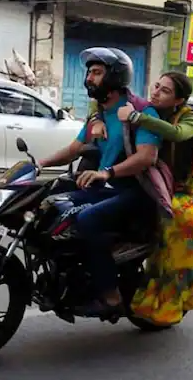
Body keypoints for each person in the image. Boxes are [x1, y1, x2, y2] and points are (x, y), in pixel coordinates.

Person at [88, 72, 193, 325]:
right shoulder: (152, 110)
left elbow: (176, 133)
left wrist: (136, 118)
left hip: (186, 191)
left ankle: (178, 288)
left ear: (178, 99)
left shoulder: (190, 117)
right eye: (156, 86)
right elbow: (110, 103)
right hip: (157, 185)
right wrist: (97, 119)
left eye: (164, 91)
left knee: (178, 222)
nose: (156, 92)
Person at [37, 47, 163, 318]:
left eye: (96, 72)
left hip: (135, 191)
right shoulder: (100, 114)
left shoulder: (141, 112)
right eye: (89, 72)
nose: (89, 78)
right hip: (107, 189)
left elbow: (146, 158)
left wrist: (108, 173)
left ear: (115, 77)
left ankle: (111, 295)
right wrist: (39, 164)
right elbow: (74, 148)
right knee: (50, 207)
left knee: (88, 220)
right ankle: (70, 274)